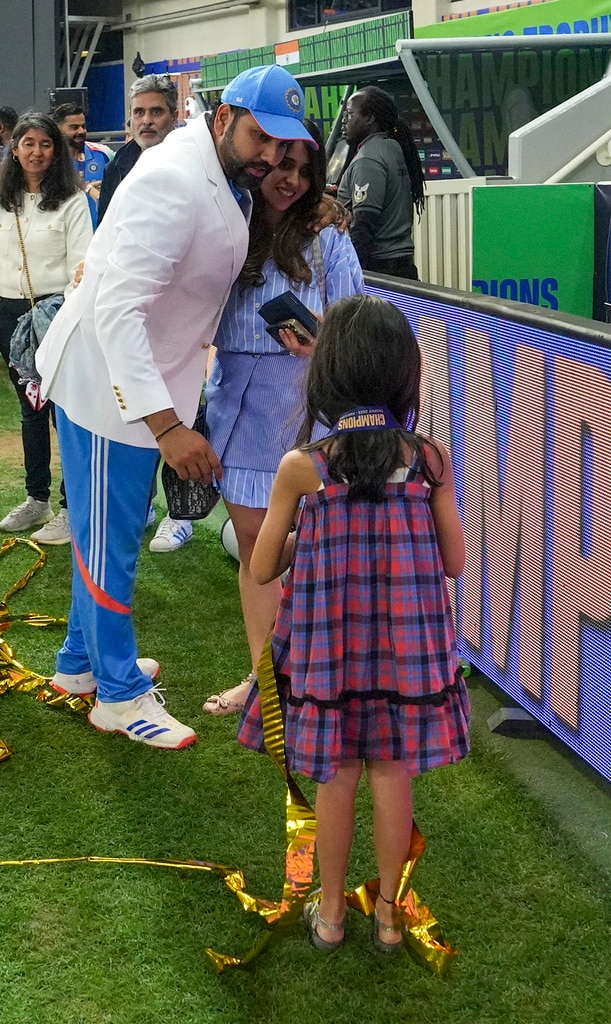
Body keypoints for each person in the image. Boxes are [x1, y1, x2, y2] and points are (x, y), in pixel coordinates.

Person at [35, 64, 319, 750]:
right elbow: (117, 308)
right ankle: (118, 696)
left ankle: (80, 665)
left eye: (283, 147)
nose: (270, 156)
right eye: (259, 138)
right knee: (110, 545)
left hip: (146, 382)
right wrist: (166, 426)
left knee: (109, 534)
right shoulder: (173, 179)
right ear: (224, 120)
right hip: (111, 389)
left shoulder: (220, 176)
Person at [238, 294, 470, 952]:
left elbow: (259, 569)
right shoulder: (428, 462)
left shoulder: (302, 468)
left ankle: (332, 917)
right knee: (392, 772)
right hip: (407, 652)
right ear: (404, 374)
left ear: (327, 374)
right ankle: (392, 918)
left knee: (334, 776)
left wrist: (302, 538)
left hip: (325, 654)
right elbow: (454, 561)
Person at [202, 121, 363, 716]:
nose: (288, 179)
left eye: (301, 168)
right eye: (277, 164)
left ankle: (323, 678)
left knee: (324, 549)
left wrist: (321, 349)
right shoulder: (223, 227)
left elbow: (357, 331)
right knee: (255, 550)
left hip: (313, 409)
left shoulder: (329, 239)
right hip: (236, 408)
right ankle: (265, 682)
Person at [0, 113, 92, 539]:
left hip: (54, 316)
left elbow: (83, 264)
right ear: (14, 148)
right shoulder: (4, 197)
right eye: (28, 143)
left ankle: (73, 508)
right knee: (30, 411)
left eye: (45, 144)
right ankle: (37, 499)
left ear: (56, 150)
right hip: (7, 313)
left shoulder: (72, 199)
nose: (36, 152)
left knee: (63, 413)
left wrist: (63, 318)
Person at [337, 86, 425, 280]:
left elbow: (364, 226)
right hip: (402, 266)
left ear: (370, 118)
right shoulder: (392, 147)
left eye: (350, 114)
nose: (344, 121)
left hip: (380, 270)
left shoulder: (368, 159)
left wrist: (354, 278)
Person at [97, 74, 177, 227]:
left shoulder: (195, 165)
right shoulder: (115, 169)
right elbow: (105, 235)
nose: (146, 120)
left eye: (156, 112)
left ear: (174, 117)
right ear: (130, 116)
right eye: (139, 112)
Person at [52, 103, 113, 228]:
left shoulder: (103, 154)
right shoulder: (50, 161)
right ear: (58, 129)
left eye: (83, 126)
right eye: (74, 127)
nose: (81, 131)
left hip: (99, 235)